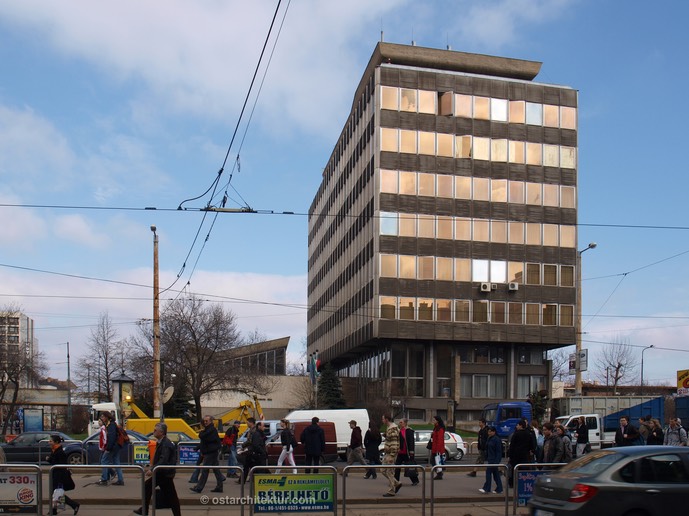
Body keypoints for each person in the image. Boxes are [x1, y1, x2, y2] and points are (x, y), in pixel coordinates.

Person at [134, 422, 181, 516]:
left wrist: (152, 470)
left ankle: (144, 510)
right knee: (171, 496)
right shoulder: (162, 442)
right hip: (163, 472)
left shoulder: (165, 444)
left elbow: (163, 459)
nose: (153, 432)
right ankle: (144, 509)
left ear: (162, 432)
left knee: (148, 486)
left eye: (155, 430)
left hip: (164, 473)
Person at [190, 415, 224, 494]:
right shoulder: (209, 429)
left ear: (211, 421)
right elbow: (205, 441)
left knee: (205, 470)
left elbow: (203, 436)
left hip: (210, 452)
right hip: (211, 452)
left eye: (206, 421)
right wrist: (198, 447)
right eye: (204, 421)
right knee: (216, 470)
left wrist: (201, 433)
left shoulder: (211, 430)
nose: (205, 422)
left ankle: (199, 487)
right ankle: (219, 486)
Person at [47, 435, 79, 515]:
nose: (49, 442)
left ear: (56, 442)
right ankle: (55, 510)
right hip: (55, 474)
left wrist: (50, 459)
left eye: (51, 441)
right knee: (56, 493)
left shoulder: (60, 452)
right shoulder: (54, 449)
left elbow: (60, 464)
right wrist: (49, 459)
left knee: (56, 493)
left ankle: (73, 505)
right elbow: (53, 461)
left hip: (59, 475)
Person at [97, 412, 123, 486]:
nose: (102, 418)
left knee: (104, 461)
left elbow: (111, 437)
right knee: (116, 462)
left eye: (103, 417)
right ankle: (120, 480)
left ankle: (104, 479)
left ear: (107, 417)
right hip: (116, 446)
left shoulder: (110, 425)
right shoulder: (111, 424)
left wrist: (108, 448)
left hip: (112, 446)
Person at [507, 419, 534, 487]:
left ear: (521, 426)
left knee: (515, 470)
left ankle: (512, 483)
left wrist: (510, 455)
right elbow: (532, 445)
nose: (516, 426)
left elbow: (512, 446)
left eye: (518, 425)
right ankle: (523, 483)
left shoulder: (516, 434)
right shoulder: (529, 434)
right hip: (525, 455)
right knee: (524, 470)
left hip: (516, 456)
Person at [381, 414, 402, 497]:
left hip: (391, 453)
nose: (382, 420)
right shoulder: (390, 428)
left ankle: (392, 490)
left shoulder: (392, 429)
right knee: (382, 470)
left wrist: (392, 455)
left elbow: (394, 443)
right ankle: (397, 483)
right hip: (388, 452)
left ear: (387, 419)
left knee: (390, 472)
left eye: (383, 419)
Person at [394, 418, 419, 486]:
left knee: (410, 467)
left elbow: (411, 442)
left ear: (405, 423)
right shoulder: (399, 431)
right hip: (400, 452)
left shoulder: (409, 431)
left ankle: (415, 480)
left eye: (401, 422)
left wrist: (411, 453)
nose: (400, 423)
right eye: (399, 422)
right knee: (397, 467)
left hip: (406, 452)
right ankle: (396, 481)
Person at [479, 426, 503, 494]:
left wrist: (497, 461)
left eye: (490, 431)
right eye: (488, 431)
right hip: (490, 459)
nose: (488, 433)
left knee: (488, 473)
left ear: (494, 432)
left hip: (494, 460)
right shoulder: (490, 438)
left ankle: (487, 488)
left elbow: (498, 451)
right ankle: (499, 488)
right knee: (496, 475)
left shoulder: (497, 440)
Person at [430, 415, 445, 480]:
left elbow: (440, 440)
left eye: (434, 420)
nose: (433, 421)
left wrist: (438, 450)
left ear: (437, 421)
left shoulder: (440, 429)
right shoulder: (436, 428)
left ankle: (439, 473)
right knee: (434, 461)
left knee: (435, 461)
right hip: (434, 448)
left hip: (437, 449)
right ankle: (439, 473)